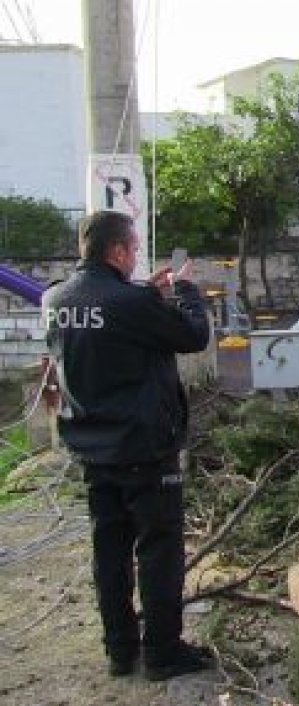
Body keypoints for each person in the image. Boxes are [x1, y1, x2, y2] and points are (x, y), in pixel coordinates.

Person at [43, 210, 214, 681]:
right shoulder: (131, 304)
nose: (137, 256)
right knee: (159, 552)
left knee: (110, 551)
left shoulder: (55, 298)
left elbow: (108, 330)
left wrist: (144, 297)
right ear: (117, 251)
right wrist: (185, 292)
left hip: (91, 448)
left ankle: (120, 650)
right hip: (144, 449)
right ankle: (163, 652)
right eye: (135, 249)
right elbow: (193, 335)